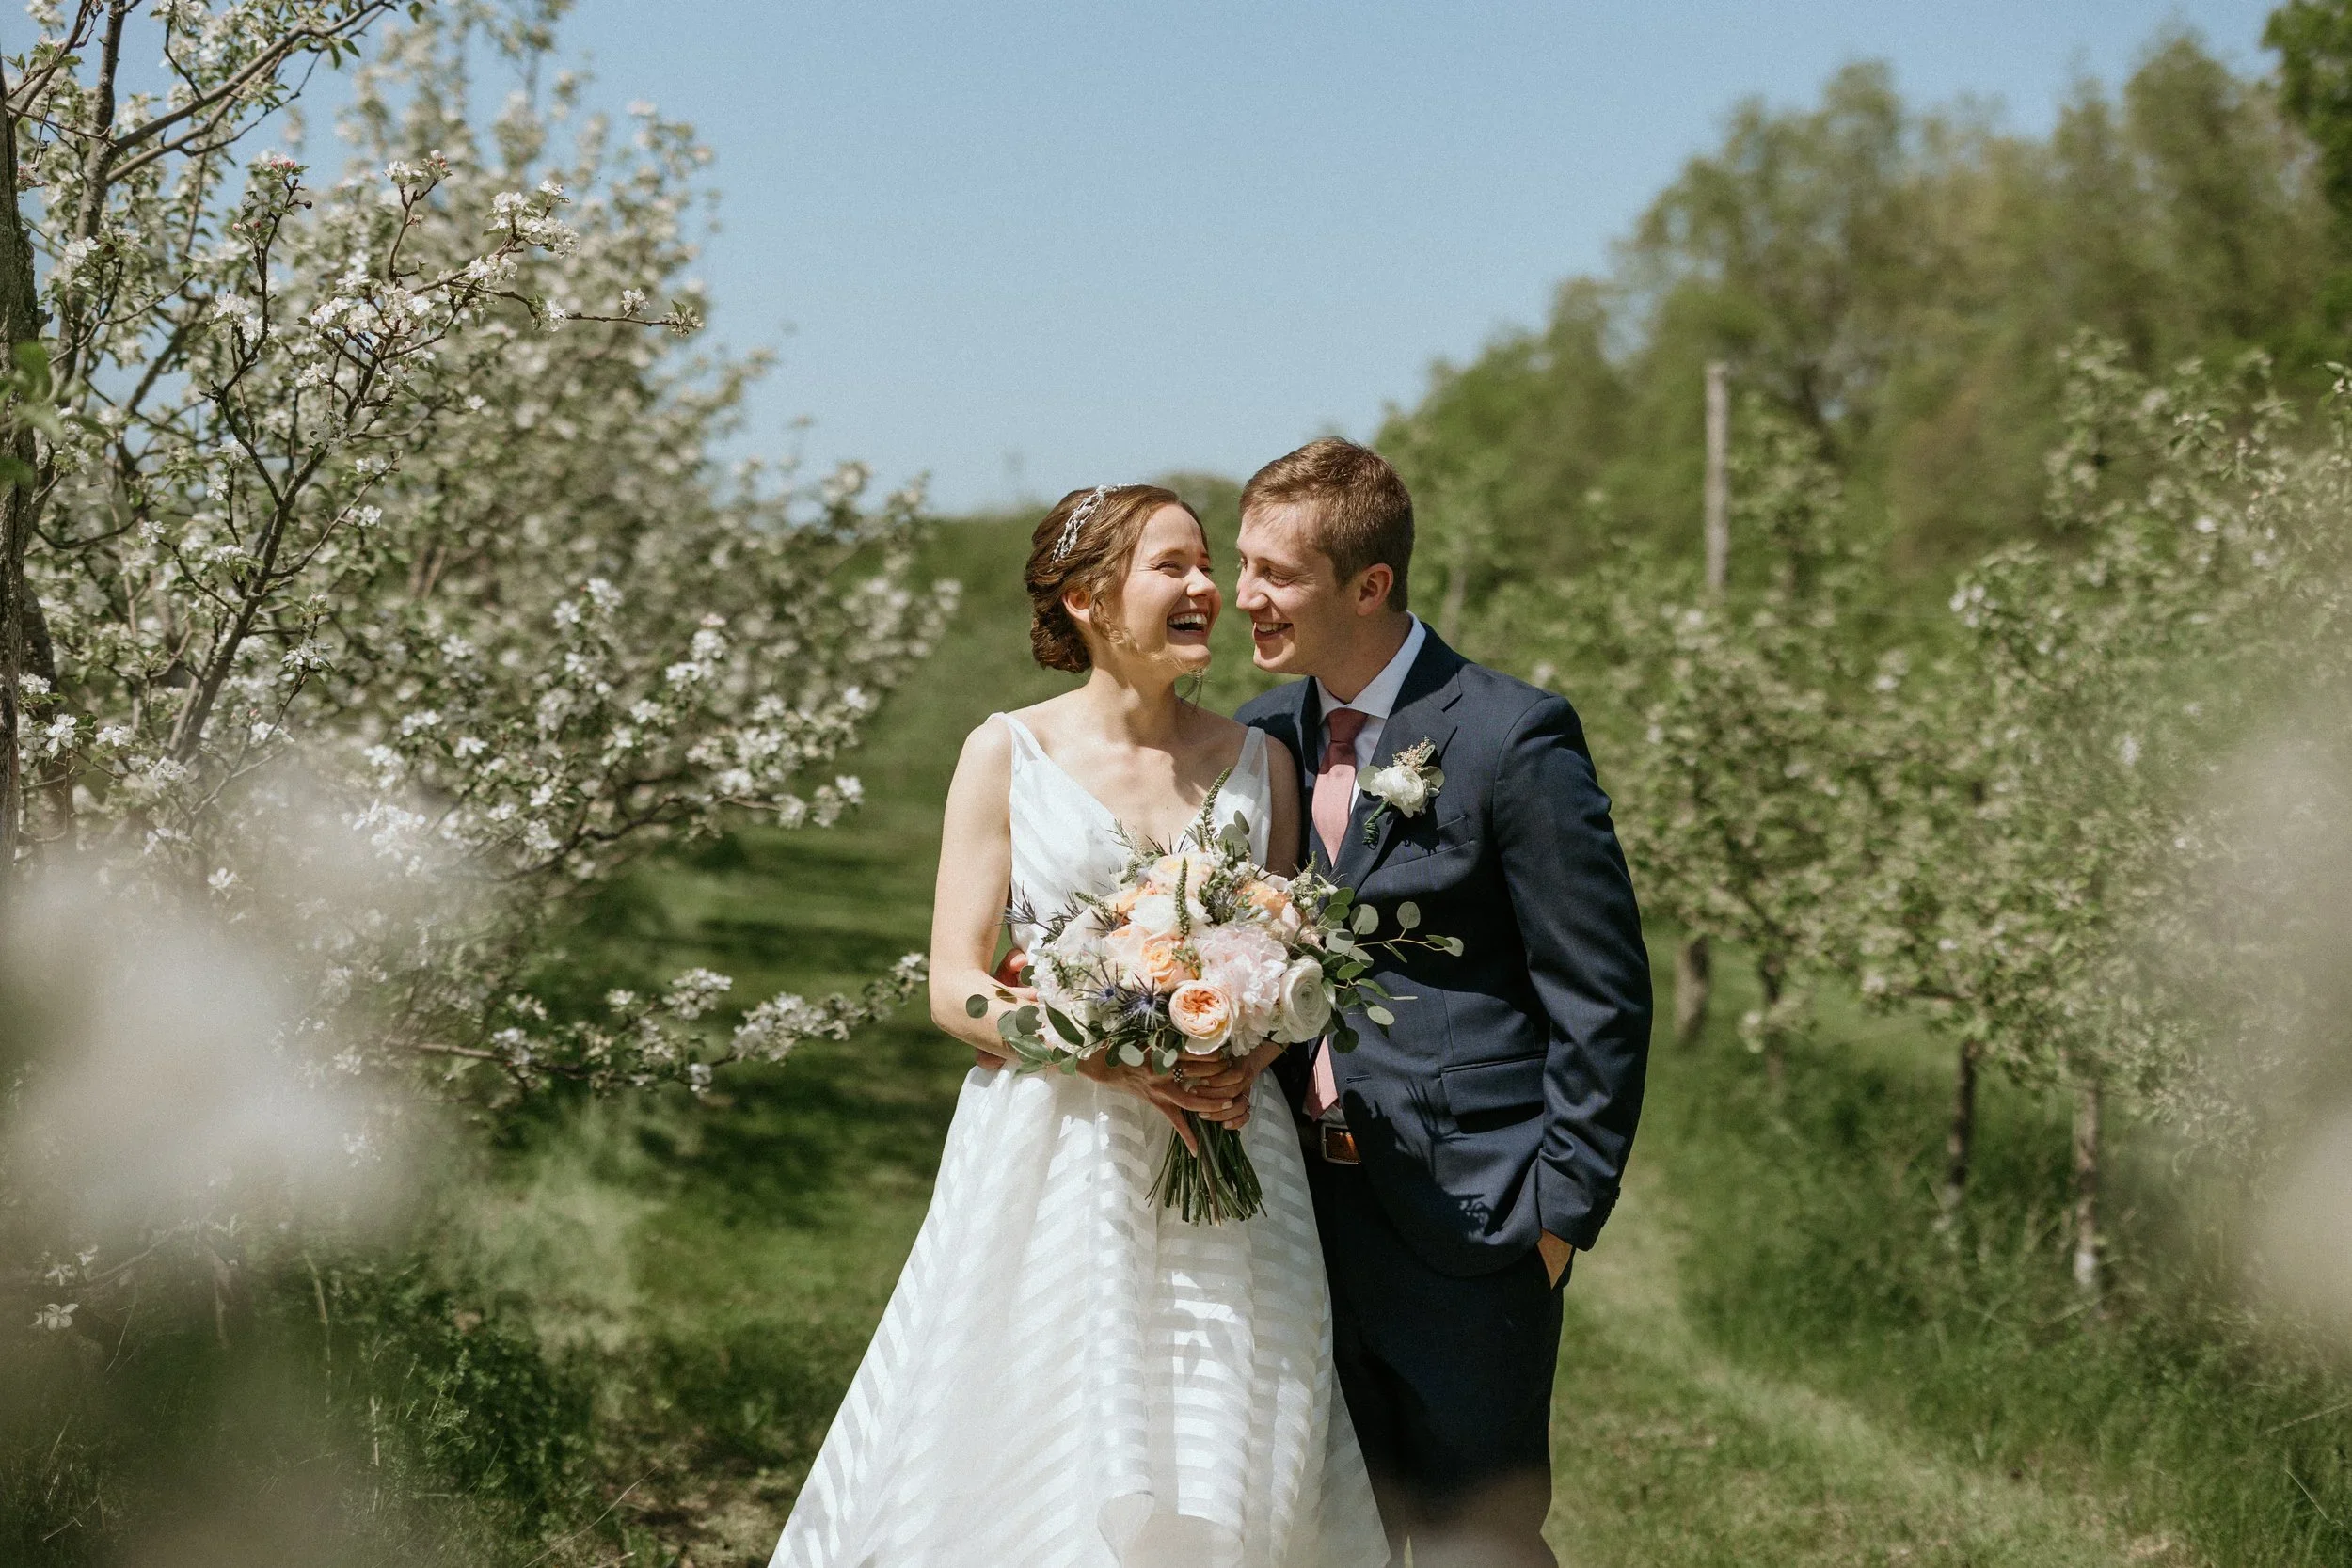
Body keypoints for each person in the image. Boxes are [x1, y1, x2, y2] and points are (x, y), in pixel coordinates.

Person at [770, 484, 1388, 1568]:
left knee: (1239, 1417)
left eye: (1208, 565)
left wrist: (1240, 1043)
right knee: (1041, 1432)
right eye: (1174, 566)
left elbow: (1289, 963)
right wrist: (1104, 1051)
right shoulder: (1004, 751)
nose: (1209, 589)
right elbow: (953, 984)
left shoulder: (1262, 764)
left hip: (1234, 1152)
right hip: (1056, 1152)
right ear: (1090, 599)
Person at [1229, 438, 1654, 1568]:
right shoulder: (1257, 735)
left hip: (1473, 1211)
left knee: (1476, 1539)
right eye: (1242, 563)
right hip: (1297, 1211)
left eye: (1276, 572)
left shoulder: (1511, 736)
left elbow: (1600, 992)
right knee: (1327, 1528)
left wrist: (1558, 1212)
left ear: (1368, 586)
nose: (1243, 595)